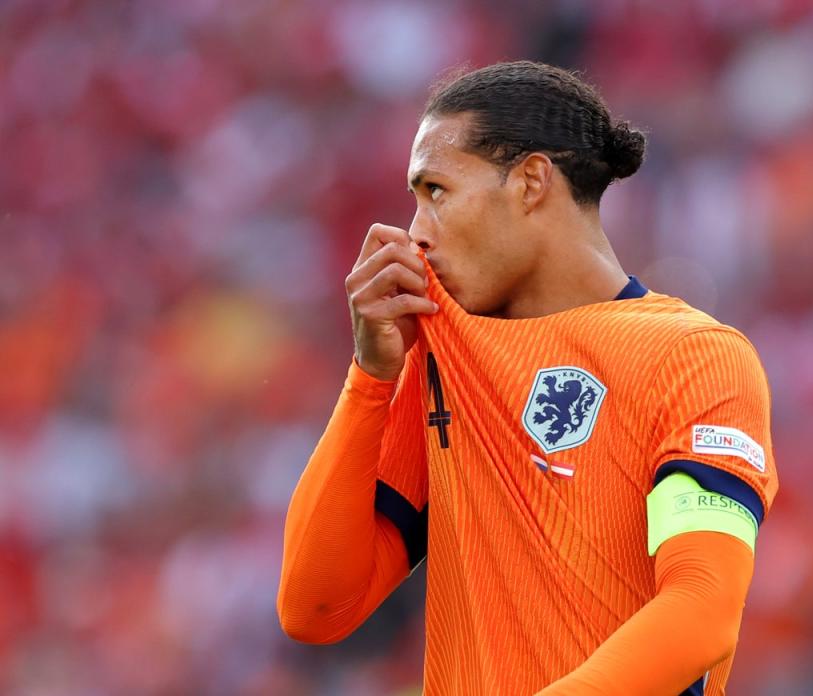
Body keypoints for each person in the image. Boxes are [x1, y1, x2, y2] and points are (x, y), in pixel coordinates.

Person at [277, 60, 778, 695]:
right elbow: (316, 607)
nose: (416, 235)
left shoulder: (694, 356)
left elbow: (702, 613)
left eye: (436, 190)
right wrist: (370, 379)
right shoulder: (443, 350)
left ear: (531, 181)